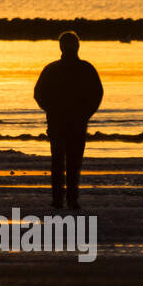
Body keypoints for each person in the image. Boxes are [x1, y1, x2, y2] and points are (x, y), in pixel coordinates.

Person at [33, 31, 103, 210]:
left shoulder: (52, 69)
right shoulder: (85, 68)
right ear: (77, 46)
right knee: (73, 162)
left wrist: (52, 110)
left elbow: (39, 94)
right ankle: (70, 200)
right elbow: (97, 94)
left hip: (61, 122)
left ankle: (59, 200)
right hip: (74, 122)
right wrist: (85, 113)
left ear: (60, 47)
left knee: (58, 161)